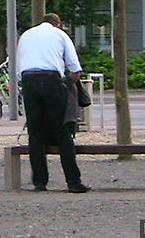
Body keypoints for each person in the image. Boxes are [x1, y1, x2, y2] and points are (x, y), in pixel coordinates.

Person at [17, 13, 90, 193]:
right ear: (58, 24)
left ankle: (39, 182)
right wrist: (67, 85)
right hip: (50, 79)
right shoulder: (60, 35)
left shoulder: (26, 35)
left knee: (35, 133)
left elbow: (19, 66)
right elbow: (75, 69)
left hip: (28, 81)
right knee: (62, 131)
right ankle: (73, 181)